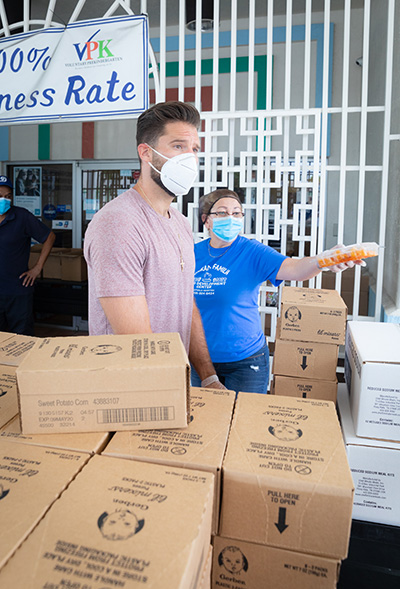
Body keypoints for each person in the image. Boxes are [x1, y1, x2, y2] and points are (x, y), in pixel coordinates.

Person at [84, 101, 224, 390]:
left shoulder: (181, 222)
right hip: (132, 389)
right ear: (146, 153)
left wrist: (208, 377)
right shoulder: (118, 223)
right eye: (178, 146)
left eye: (194, 149)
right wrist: (171, 391)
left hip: (171, 382)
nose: (190, 158)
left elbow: (186, 304)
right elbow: (136, 341)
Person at [192, 188, 366, 394]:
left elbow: (295, 268)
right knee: (207, 423)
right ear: (206, 220)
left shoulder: (251, 251)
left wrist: (323, 261)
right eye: (222, 212)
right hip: (201, 360)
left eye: (236, 213)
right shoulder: (193, 253)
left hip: (246, 361)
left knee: (246, 423)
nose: (231, 218)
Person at [0, 175, 55, 336]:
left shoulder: (21, 217)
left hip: (18, 290)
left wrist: (37, 268)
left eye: (8, 196)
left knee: (22, 339)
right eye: (0, 196)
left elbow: (49, 237)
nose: (4, 200)